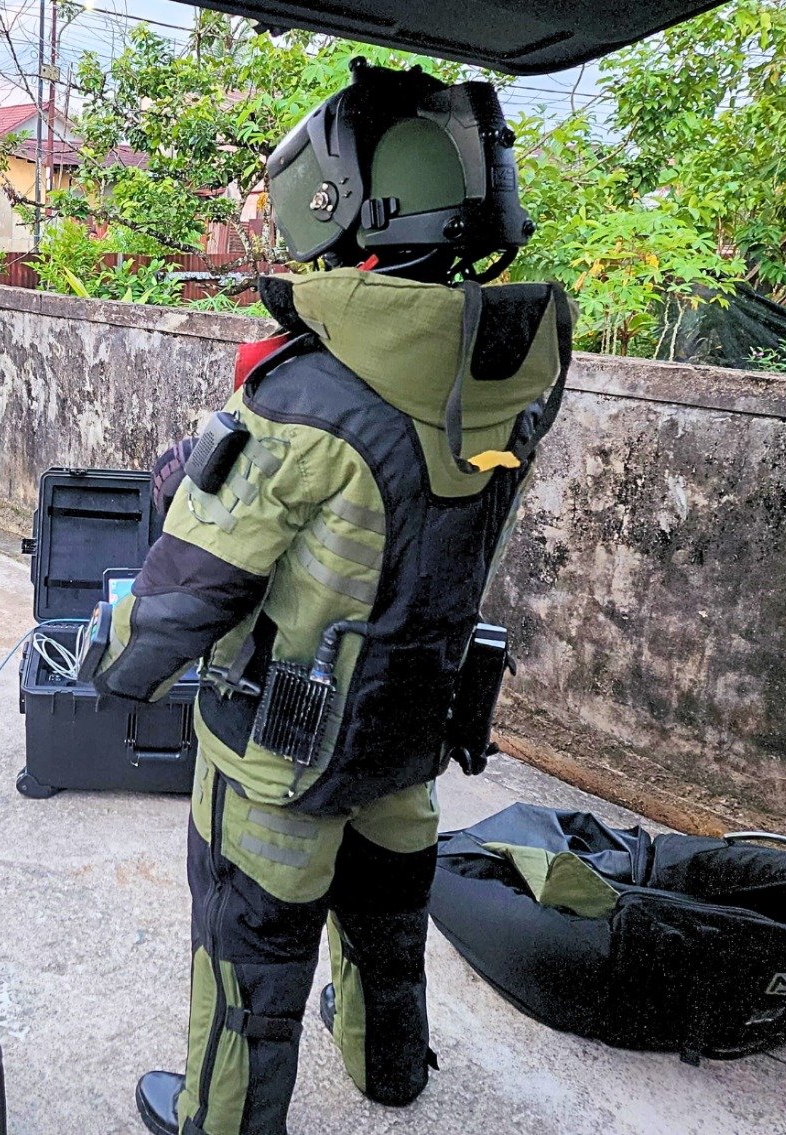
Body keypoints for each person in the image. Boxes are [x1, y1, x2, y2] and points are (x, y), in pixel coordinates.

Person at [92, 61, 575, 1134]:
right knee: (387, 924)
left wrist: (106, 656)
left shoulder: (302, 397)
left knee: (247, 959)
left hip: (281, 754)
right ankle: (388, 1068)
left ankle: (221, 1120)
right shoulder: (509, 368)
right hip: (410, 727)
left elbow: (180, 607)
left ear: (340, 202)